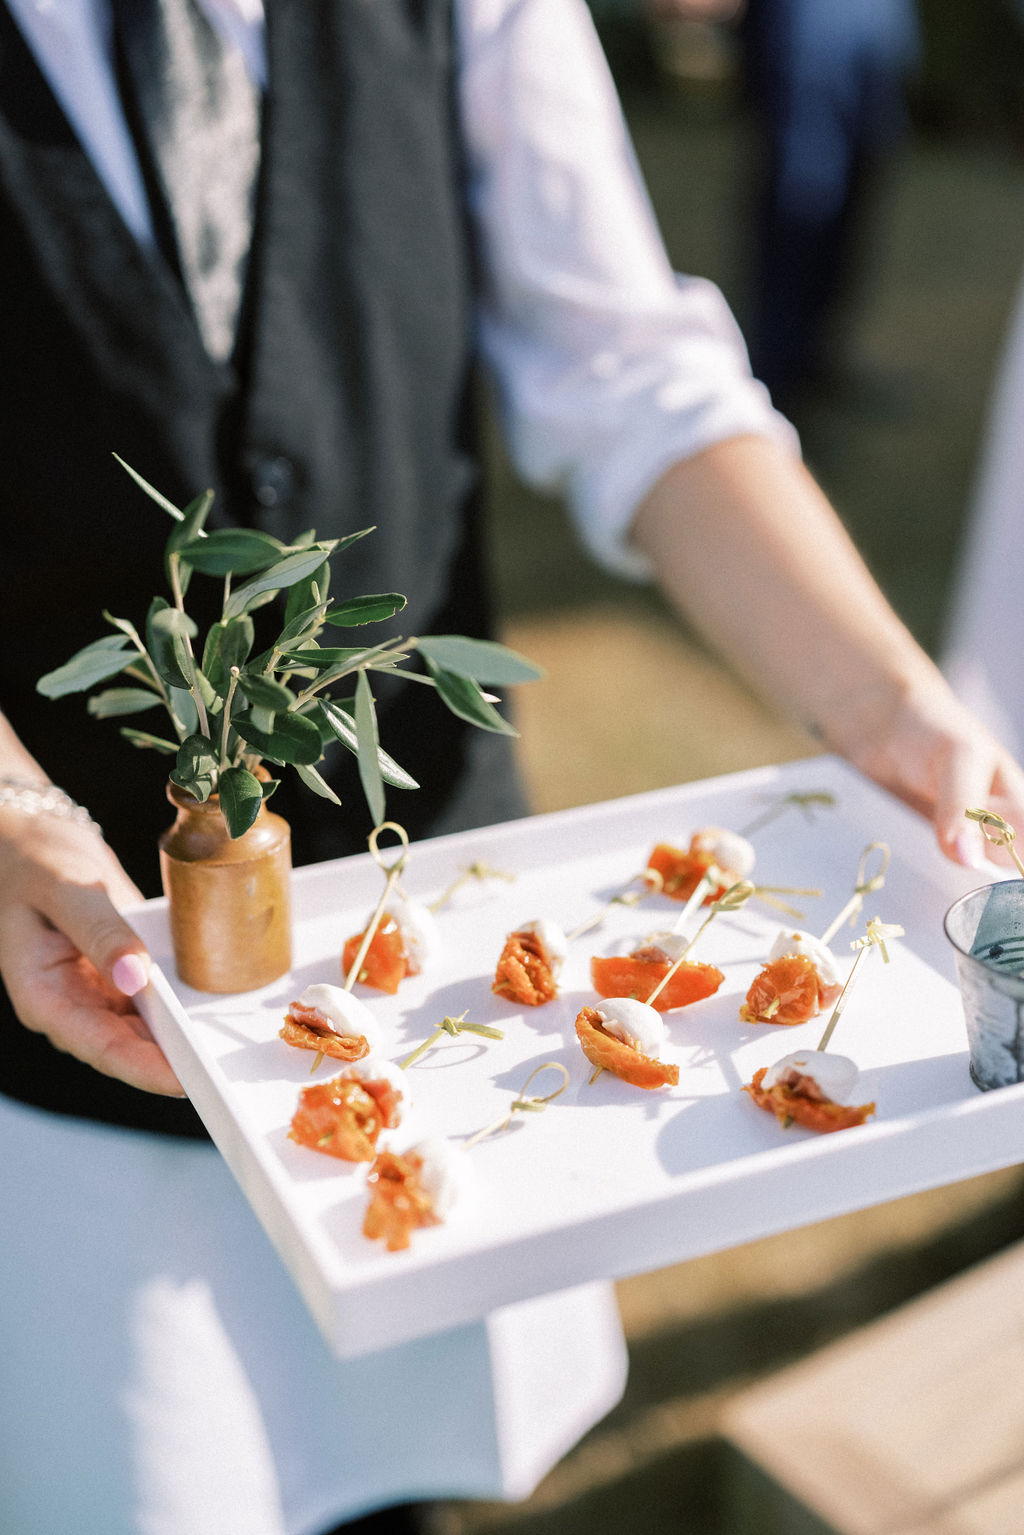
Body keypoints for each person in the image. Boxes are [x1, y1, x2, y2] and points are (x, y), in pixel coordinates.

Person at [1, 2, 1021, 1533]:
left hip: (444, 1009)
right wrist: (15, 820)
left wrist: (884, 698)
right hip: (61, 1081)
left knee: (397, 1483)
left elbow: (625, 364)